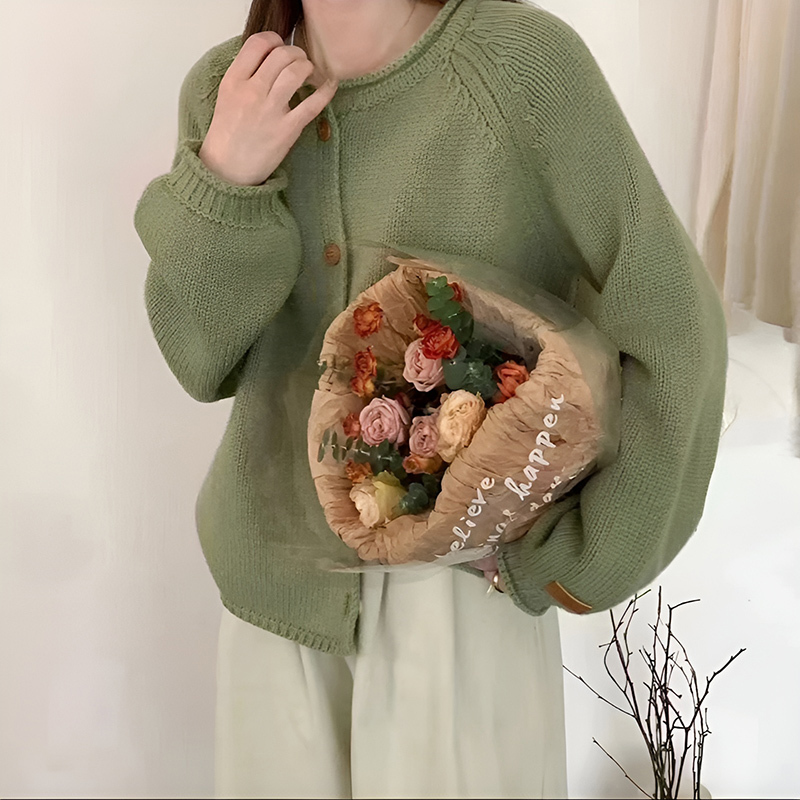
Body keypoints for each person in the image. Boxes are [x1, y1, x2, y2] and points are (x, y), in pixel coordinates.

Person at [132, 0, 728, 797]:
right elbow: (198, 359)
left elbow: (674, 326)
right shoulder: (227, 87)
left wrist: (583, 557)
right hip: (272, 595)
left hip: (455, 600)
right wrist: (225, 178)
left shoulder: (521, 67)